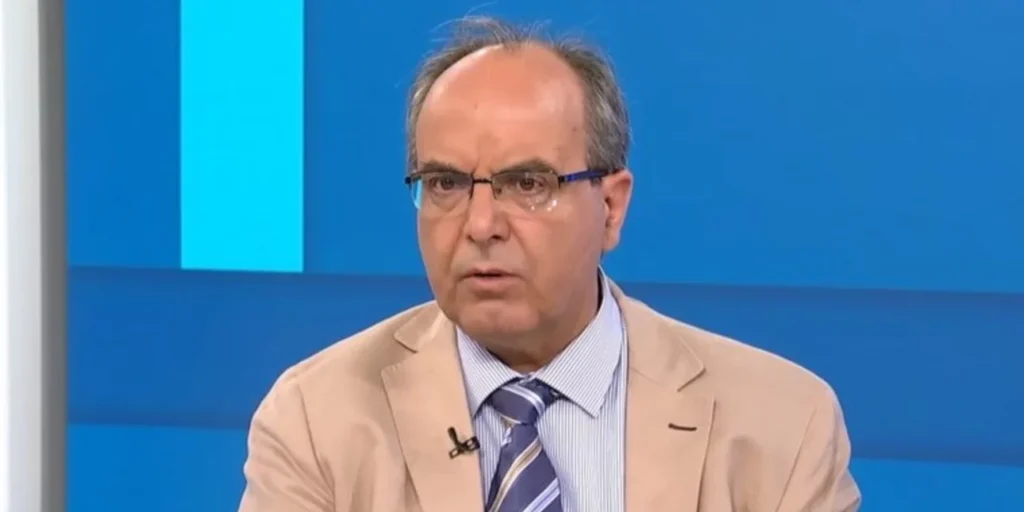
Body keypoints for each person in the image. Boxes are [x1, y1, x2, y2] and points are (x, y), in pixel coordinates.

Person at [237, 16, 861, 512]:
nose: (481, 225)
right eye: (447, 183)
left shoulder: (781, 426)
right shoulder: (317, 420)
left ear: (611, 207)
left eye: (528, 184)